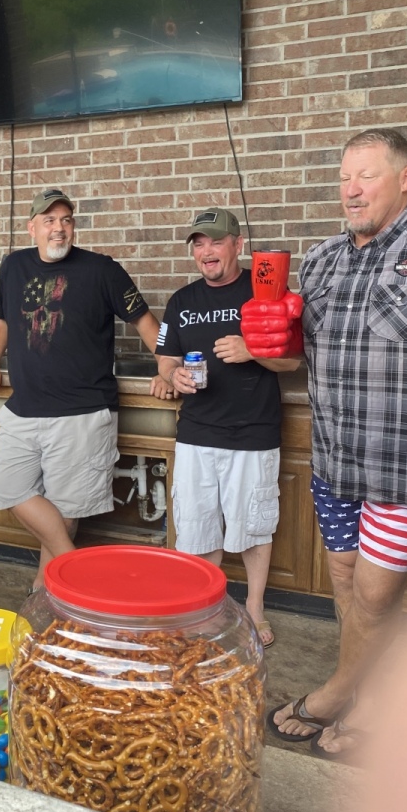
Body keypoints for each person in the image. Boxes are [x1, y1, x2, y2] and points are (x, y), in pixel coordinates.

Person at [252, 129, 407, 760]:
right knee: (346, 584)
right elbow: (294, 362)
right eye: (344, 178)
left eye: (367, 176)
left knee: (375, 595)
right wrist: (265, 341)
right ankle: (368, 692)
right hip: (334, 462)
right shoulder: (321, 259)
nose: (351, 190)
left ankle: (334, 696)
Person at [0, 187, 170, 590]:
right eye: (49, 220)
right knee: (9, 488)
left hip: (82, 412)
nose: (59, 228)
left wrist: (167, 366)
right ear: (32, 228)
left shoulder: (102, 270)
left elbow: (145, 321)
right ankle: (78, 578)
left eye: (66, 220)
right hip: (24, 408)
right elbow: (3, 320)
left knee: (65, 513)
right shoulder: (13, 266)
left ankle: (44, 590)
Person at [155, 208, 301, 647]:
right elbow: (165, 358)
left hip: (252, 433)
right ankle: (205, 608)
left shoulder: (266, 293)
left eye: (216, 241)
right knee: (196, 527)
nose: (207, 251)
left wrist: (253, 350)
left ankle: (254, 607)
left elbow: (293, 361)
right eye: (199, 244)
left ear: (238, 245)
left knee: (254, 526)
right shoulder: (182, 301)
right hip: (196, 434)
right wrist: (173, 375)